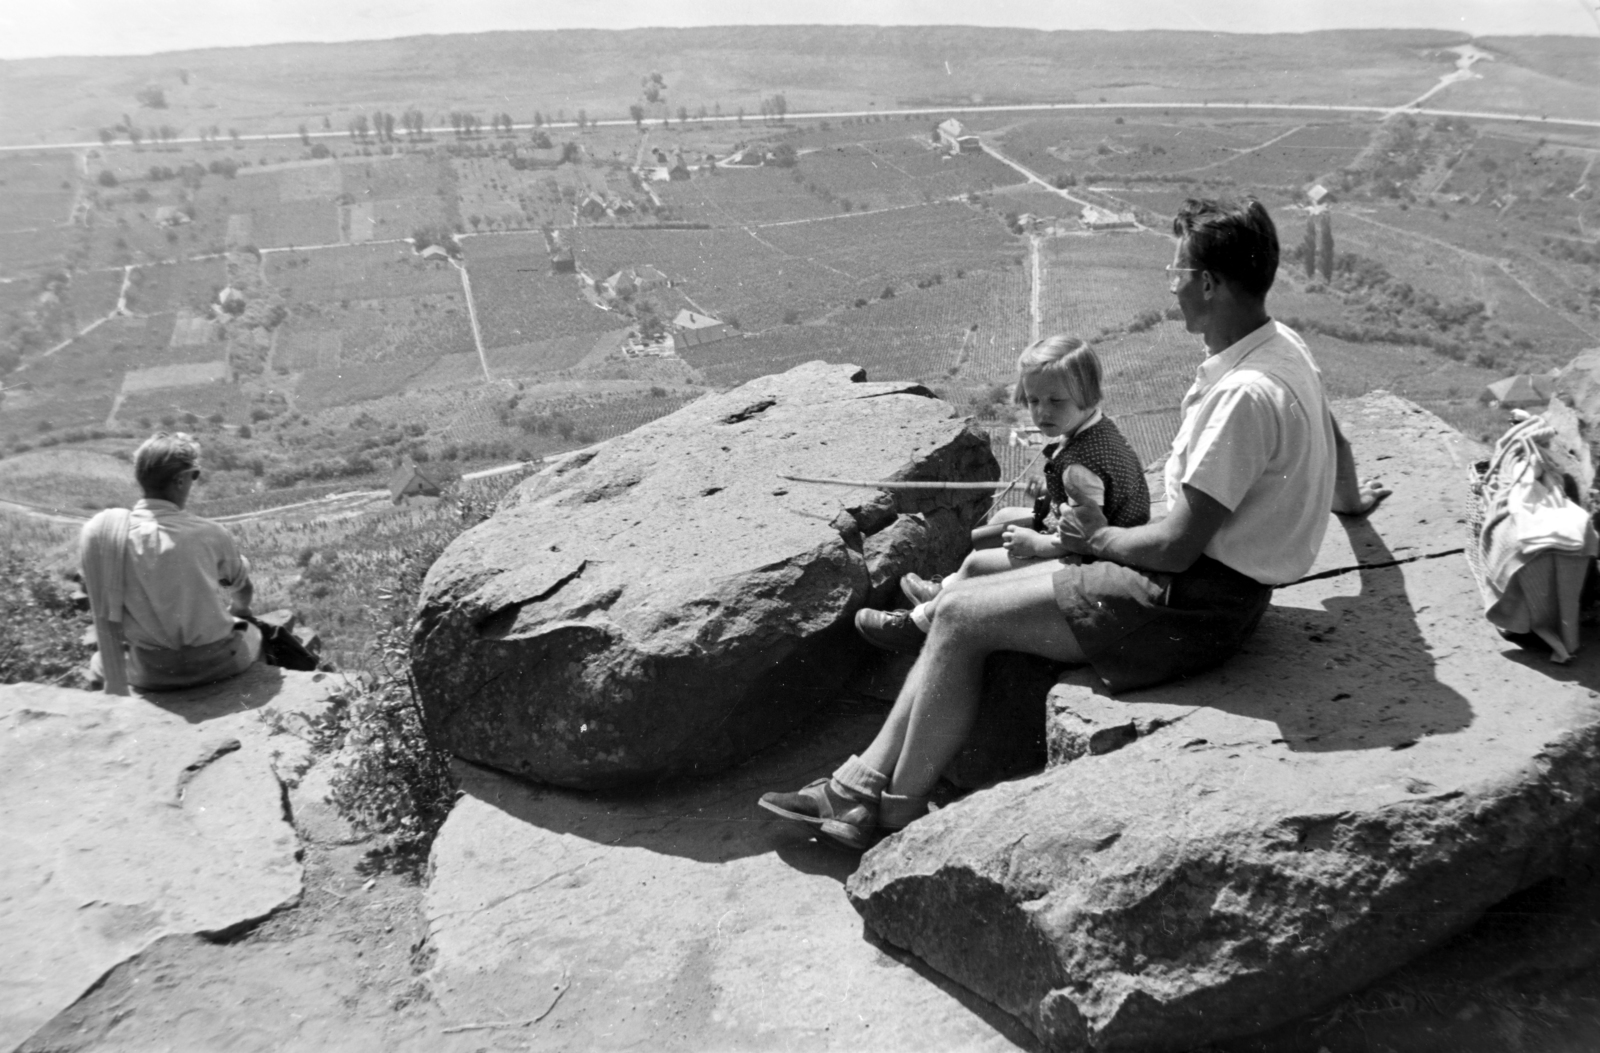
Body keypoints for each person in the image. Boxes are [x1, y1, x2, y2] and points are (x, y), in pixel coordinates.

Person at [759, 197, 1389, 850]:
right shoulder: (1282, 349)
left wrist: (1096, 541)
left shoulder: (1242, 397)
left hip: (1189, 601)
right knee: (965, 597)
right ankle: (860, 788)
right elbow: (1331, 429)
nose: (1169, 283)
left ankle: (889, 810)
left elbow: (1174, 549)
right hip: (1208, 590)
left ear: (1209, 283)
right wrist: (1345, 500)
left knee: (960, 617)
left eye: (1176, 269)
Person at [857, 336, 1151, 652]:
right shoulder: (1095, 430)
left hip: (1102, 562)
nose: (1042, 412)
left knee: (977, 566)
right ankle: (943, 591)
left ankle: (916, 626)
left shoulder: (1079, 467)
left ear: (1086, 395)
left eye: (1055, 401)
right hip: (1108, 544)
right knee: (1003, 518)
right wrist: (1052, 498)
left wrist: (1038, 544)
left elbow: (1088, 535)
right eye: (1034, 401)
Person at [79, 432, 261, 694]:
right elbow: (242, 590)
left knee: (98, 662)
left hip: (151, 672)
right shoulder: (210, 533)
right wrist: (241, 612)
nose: (193, 481)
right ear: (180, 479)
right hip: (217, 664)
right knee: (255, 632)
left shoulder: (110, 537)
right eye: (194, 475)